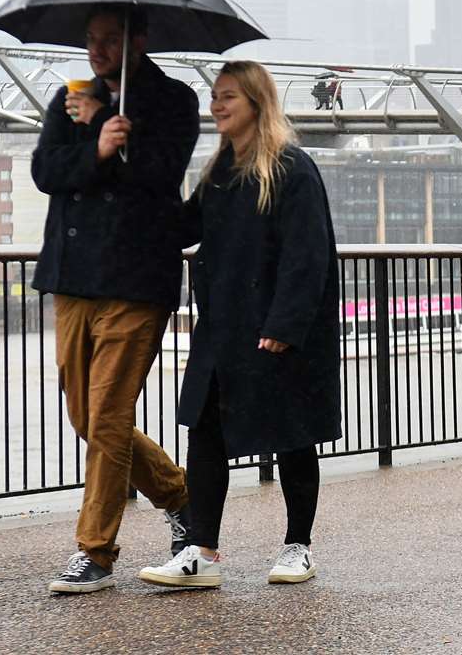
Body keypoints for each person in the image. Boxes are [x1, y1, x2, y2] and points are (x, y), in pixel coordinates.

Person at [139, 60, 342, 590]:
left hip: (273, 327)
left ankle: (298, 545)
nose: (217, 104)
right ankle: (201, 552)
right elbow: (179, 228)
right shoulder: (219, 173)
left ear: (257, 102)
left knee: (292, 436)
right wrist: (144, 165)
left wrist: (286, 324)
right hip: (224, 326)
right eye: (214, 95)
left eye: (229, 95)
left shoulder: (291, 169)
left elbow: (308, 254)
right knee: (205, 433)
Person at [32, 5, 201, 595]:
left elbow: (159, 178)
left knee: (107, 415)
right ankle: (180, 496)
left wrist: (109, 123)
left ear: (139, 41)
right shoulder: (68, 98)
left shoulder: (174, 100)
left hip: (135, 279)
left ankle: (94, 552)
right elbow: (45, 172)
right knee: (84, 415)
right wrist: (96, 145)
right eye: (90, 40)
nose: (96, 51)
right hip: (73, 277)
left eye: (108, 40)